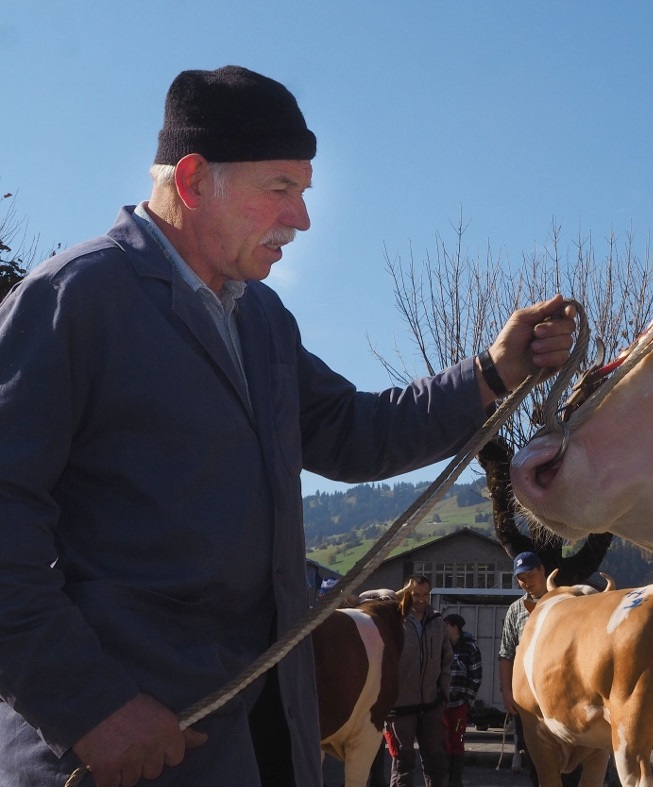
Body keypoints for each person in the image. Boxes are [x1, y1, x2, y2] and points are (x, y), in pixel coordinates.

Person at [0, 65, 576, 787]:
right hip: (107, 753)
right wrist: (87, 705)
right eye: (282, 189)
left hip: (264, 744)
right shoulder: (69, 300)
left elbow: (351, 430)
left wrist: (490, 372)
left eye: (304, 193)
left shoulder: (262, 319)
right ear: (192, 180)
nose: (302, 219)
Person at [383, 576, 452, 787]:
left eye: (425, 594)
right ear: (406, 595)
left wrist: (443, 696)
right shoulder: (395, 622)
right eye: (416, 595)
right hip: (400, 707)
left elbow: (446, 661)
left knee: (435, 761)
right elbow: (384, 664)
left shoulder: (437, 622)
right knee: (403, 761)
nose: (422, 600)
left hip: (431, 704)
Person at [498, 551, 548, 787]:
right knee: (534, 757)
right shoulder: (515, 610)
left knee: (570, 758)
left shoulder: (564, 600)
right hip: (527, 699)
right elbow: (506, 654)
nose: (526, 581)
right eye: (521, 577)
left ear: (542, 571)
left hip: (559, 693)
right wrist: (507, 693)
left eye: (530, 574)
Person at [442, 613, 482, 786]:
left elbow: (476, 676)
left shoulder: (470, 648)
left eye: (446, 625)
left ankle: (455, 780)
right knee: (441, 740)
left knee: (457, 739)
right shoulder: (441, 646)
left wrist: (468, 698)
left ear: (455, 627)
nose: (443, 629)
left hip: (459, 706)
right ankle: (443, 778)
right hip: (441, 704)